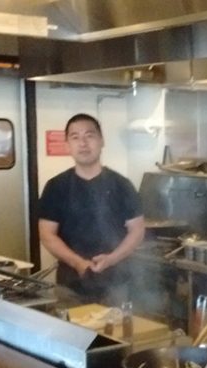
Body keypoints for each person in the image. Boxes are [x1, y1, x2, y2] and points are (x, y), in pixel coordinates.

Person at [38, 113, 145, 306]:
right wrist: (78, 263)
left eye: (90, 135)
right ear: (67, 145)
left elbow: (137, 230)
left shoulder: (122, 185)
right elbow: (47, 234)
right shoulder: (56, 187)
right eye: (75, 137)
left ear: (101, 141)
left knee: (116, 334)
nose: (83, 143)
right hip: (70, 284)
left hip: (116, 283)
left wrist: (112, 259)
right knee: (72, 333)